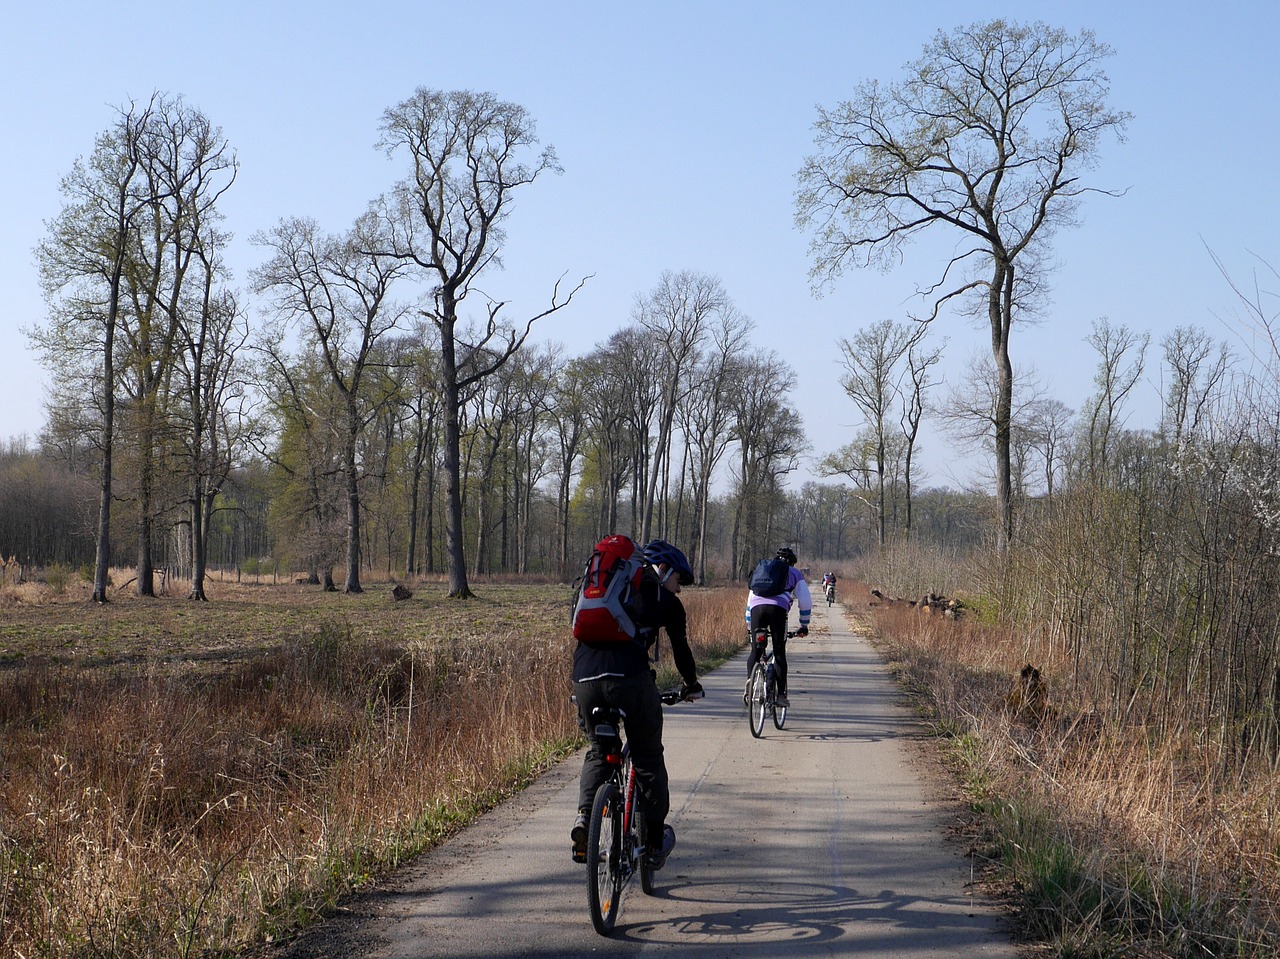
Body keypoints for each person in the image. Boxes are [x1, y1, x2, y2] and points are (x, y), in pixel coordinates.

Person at [570, 538, 702, 869]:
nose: (679, 589)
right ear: (664, 570)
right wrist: (691, 685)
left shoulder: (597, 589)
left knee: (599, 752)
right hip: (629, 679)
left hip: (584, 677)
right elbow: (681, 650)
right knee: (647, 757)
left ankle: (585, 818)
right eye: (678, 580)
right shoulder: (665, 600)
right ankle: (655, 841)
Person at [745, 545, 811, 708]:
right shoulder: (795, 573)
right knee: (779, 652)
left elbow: (750, 599)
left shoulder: (763, 570)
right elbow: (805, 601)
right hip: (777, 610)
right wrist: (804, 624)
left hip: (756, 611)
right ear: (792, 563)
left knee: (756, 650)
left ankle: (750, 685)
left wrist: (749, 625)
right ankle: (781, 695)